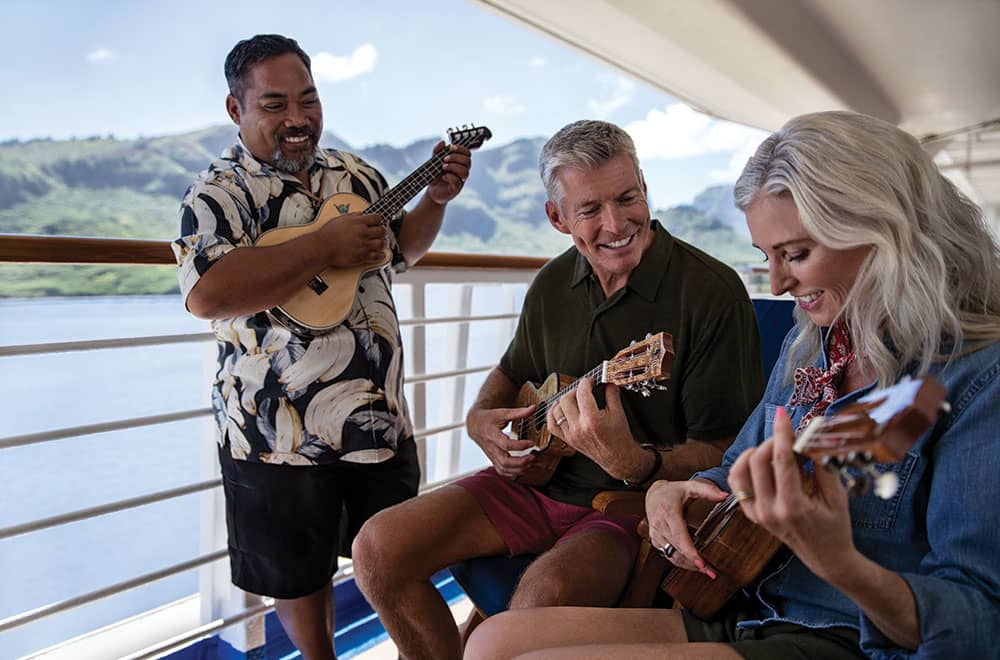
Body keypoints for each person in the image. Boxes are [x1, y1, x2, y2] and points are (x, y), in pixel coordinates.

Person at [463, 110, 1000, 660]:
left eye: (795, 254)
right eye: (766, 258)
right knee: (490, 644)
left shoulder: (980, 380)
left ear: (886, 232)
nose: (778, 283)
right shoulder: (812, 343)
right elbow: (732, 464)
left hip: (846, 635)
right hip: (742, 607)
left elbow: (979, 626)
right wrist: (669, 489)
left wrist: (840, 562)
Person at [351, 119, 764, 660]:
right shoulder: (551, 284)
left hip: (627, 504)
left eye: (628, 197)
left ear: (644, 186)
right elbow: (510, 371)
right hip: (536, 482)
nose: (616, 223)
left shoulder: (711, 293)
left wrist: (635, 461)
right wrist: (479, 421)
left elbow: (727, 455)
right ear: (557, 217)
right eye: (590, 210)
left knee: (537, 607)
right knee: (377, 549)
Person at [171, 34, 472, 660]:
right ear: (237, 110)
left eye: (308, 100)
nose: (298, 119)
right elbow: (207, 293)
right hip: (276, 431)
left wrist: (436, 199)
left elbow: (402, 252)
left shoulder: (357, 175)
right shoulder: (217, 195)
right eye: (275, 104)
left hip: (376, 416)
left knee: (395, 556)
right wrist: (320, 248)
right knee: (298, 573)